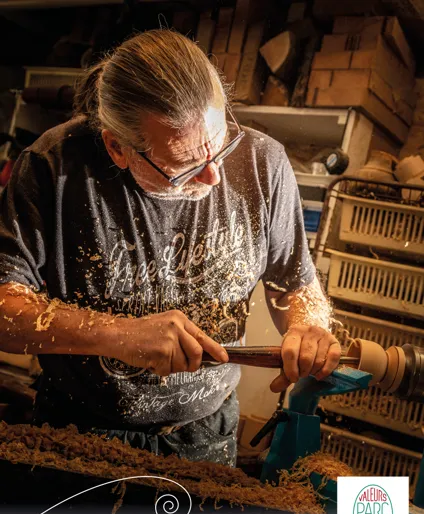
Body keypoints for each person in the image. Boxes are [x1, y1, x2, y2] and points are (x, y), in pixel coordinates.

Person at [0, 30, 341, 466]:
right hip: (80, 427)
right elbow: (6, 310)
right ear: (118, 148)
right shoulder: (53, 167)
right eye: (185, 166)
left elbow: (294, 284)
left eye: (221, 146)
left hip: (204, 434)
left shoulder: (264, 164)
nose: (214, 176)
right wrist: (117, 334)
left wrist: (308, 325)